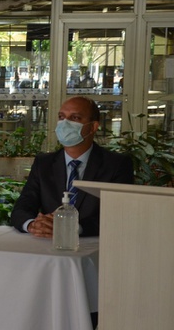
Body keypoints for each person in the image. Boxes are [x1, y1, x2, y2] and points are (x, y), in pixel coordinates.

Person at [11, 96, 134, 238]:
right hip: (48, 244)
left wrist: (72, 227)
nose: (65, 123)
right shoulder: (44, 163)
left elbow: (118, 214)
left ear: (93, 127)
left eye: (75, 118)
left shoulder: (117, 164)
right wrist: (32, 225)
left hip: (95, 245)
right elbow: (23, 207)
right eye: (61, 117)